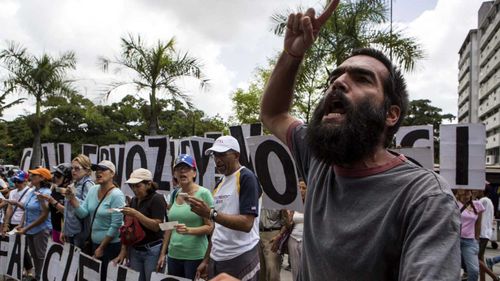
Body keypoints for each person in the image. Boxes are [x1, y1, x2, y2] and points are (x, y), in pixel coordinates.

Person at [259, 1, 461, 279]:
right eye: (335, 77)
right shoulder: (319, 159)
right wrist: (292, 55)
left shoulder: (424, 197)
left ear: (391, 114)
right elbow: (273, 112)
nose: (338, 82)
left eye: (362, 78)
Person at [189, 136, 261, 280]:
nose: (217, 160)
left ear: (236, 155)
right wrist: (206, 259)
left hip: (240, 256)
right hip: (217, 257)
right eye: (215, 155)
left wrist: (210, 213)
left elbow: (247, 223)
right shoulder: (219, 182)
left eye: (222, 154)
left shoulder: (246, 177)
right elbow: (217, 228)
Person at [156, 154, 213, 279]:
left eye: (186, 168)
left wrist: (189, 230)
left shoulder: (204, 193)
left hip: (195, 256)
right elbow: (170, 226)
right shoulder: (174, 194)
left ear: (194, 173)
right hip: (173, 255)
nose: (182, 171)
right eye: (178, 168)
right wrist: (162, 253)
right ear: (174, 174)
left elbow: (210, 227)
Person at [69, 160, 125, 281]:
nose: (98, 172)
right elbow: (83, 213)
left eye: (103, 170)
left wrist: (102, 247)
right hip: (94, 243)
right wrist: (72, 199)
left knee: (106, 277)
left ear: (112, 173)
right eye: (96, 170)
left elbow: (116, 225)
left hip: (111, 245)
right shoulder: (93, 189)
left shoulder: (117, 195)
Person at [113, 168, 166, 281]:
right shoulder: (134, 200)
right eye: (132, 186)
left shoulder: (157, 199)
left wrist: (136, 214)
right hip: (135, 249)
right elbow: (128, 227)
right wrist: (123, 250)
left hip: (152, 250)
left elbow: (157, 226)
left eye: (138, 186)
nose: (134, 189)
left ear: (148, 184)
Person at [17, 168, 53, 281]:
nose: (30, 177)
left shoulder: (46, 193)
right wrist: (21, 224)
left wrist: (26, 228)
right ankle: (37, 276)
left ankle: (39, 277)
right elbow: (27, 209)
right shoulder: (32, 191)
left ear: (42, 178)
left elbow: (45, 214)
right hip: (30, 230)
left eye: (34, 175)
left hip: (40, 230)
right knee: (34, 255)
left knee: (40, 256)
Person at [1, 170, 34, 277]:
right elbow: (10, 208)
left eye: (18, 181)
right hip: (12, 222)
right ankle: (17, 269)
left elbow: (28, 209)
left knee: (22, 247)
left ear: (25, 181)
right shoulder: (12, 192)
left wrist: (16, 203)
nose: (16, 184)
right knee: (12, 246)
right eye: (14, 181)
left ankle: (29, 269)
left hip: (23, 223)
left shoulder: (31, 192)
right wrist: (6, 224)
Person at [62, 154, 94, 249]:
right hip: (71, 231)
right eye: (72, 168)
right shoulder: (75, 183)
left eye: (77, 168)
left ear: (87, 170)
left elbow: (86, 209)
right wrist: (64, 230)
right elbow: (68, 210)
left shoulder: (88, 184)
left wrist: (72, 197)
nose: (73, 171)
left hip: (80, 233)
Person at [37, 163, 70, 244]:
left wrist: (52, 201)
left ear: (67, 179)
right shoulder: (55, 189)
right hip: (54, 229)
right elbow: (48, 210)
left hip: (65, 232)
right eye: (55, 174)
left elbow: (68, 212)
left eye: (58, 175)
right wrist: (42, 200)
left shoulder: (69, 192)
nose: (55, 177)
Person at [286, 180, 306, 281]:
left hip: (307, 241)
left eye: (304, 188)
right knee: (295, 269)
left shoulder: (312, 204)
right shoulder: (293, 205)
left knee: (306, 269)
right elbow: (288, 224)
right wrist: (287, 217)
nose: (301, 190)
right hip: (293, 239)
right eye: (299, 188)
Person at [258, 208, 286, 281]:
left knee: (272, 270)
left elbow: (286, 222)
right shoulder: (258, 197)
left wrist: (279, 236)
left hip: (273, 235)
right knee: (260, 270)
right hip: (258, 235)